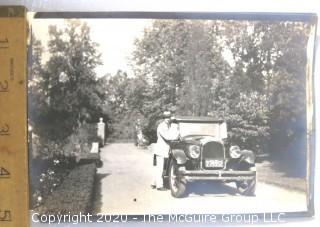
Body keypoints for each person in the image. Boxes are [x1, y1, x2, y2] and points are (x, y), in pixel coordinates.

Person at [151, 111, 179, 191]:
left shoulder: (168, 125)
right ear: (163, 118)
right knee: (160, 168)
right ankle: (159, 186)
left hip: (164, 150)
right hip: (161, 150)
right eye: (165, 117)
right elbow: (168, 137)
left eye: (169, 117)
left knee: (159, 168)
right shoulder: (161, 126)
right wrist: (176, 133)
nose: (167, 119)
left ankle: (153, 183)